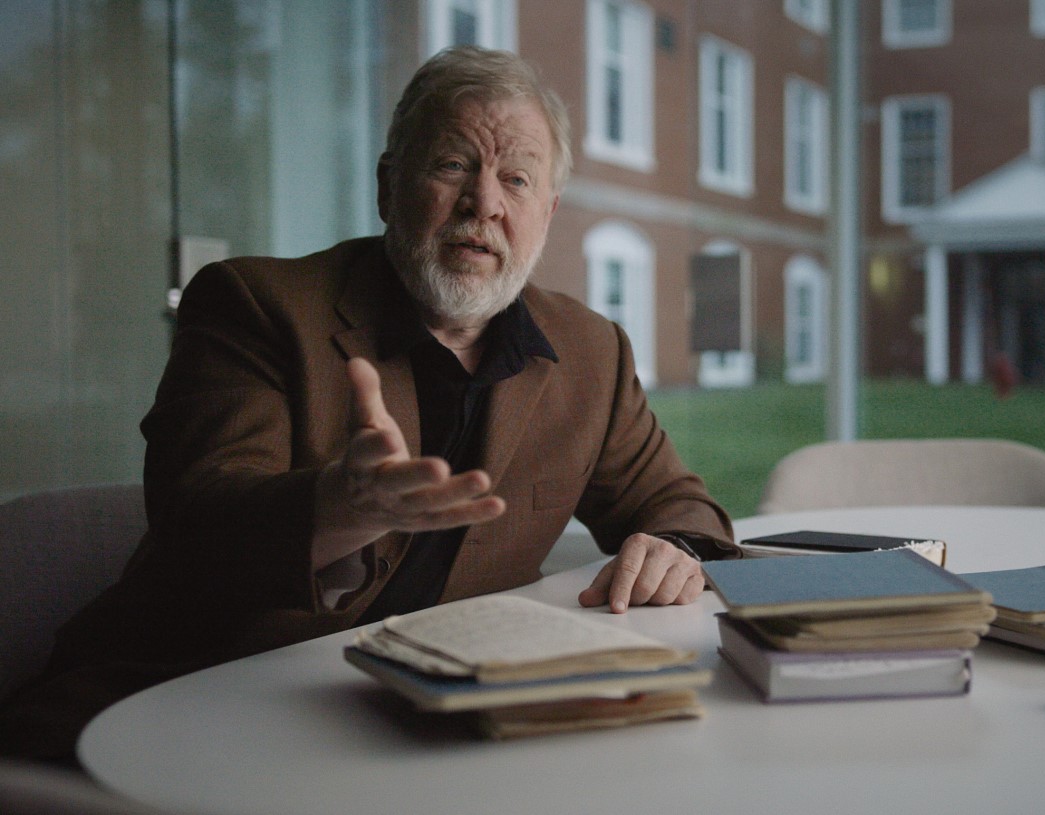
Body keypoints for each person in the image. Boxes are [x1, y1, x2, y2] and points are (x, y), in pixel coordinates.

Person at [0, 45, 735, 763]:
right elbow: (197, 525)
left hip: (412, 729)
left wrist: (676, 548)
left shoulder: (590, 349)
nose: (485, 201)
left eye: (516, 178)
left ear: (547, 210)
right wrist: (343, 506)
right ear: (389, 186)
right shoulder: (257, 305)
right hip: (183, 704)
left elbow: (679, 504)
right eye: (453, 165)